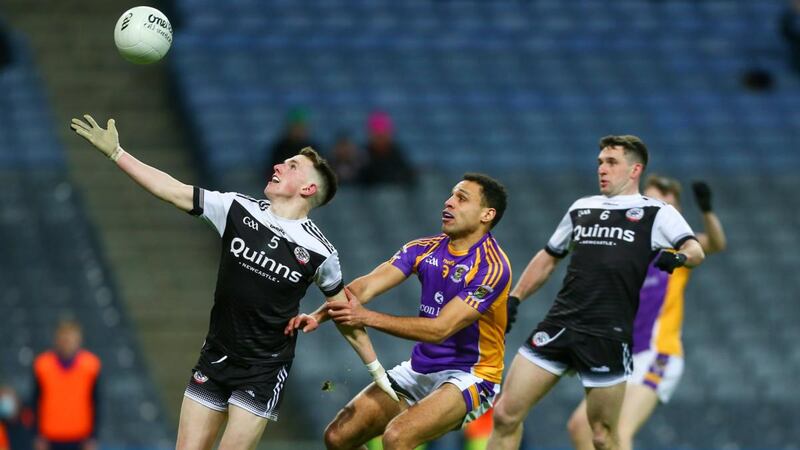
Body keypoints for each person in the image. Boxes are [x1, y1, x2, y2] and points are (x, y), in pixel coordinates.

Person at [69, 114, 396, 450]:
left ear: (308, 189)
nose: (281, 165)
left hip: (264, 370)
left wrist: (376, 370)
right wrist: (117, 153)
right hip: (216, 356)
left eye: (293, 165)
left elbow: (344, 312)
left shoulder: (321, 252)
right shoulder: (236, 209)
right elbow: (172, 190)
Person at [489, 135, 705, 450]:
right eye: (600, 162)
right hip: (560, 324)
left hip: (608, 334)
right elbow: (549, 256)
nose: (602, 169)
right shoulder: (582, 207)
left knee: (603, 436)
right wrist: (515, 297)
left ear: (635, 170)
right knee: (506, 414)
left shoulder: (657, 213)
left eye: (612, 162)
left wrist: (680, 257)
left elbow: (696, 249)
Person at [287, 173, 511, 450]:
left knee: (397, 437)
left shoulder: (492, 267)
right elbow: (363, 288)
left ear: (487, 214)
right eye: (451, 195)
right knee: (337, 438)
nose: (448, 202)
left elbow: (440, 329)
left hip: (471, 374)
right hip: (420, 368)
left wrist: (366, 317)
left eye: (461, 198)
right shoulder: (423, 249)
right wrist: (318, 316)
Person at [565, 175, 727, 450]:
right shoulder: (622, 244)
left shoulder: (678, 248)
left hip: (657, 353)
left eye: (668, 206)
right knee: (580, 426)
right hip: (623, 353)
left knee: (619, 432)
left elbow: (714, 243)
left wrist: (707, 210)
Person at [32, 320, 101, 450]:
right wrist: (37, 435)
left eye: (71, 339)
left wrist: (93, 437)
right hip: (50, 436)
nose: (67, 343)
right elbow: (35, 401)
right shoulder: (42, 365)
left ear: (78, 340)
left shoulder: (91, 365)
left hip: (80, 436)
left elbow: (96, 402)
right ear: (56, 340)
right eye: (63, 339)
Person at [357, 111, 417, 187]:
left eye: (383, 135)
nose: (381, 139)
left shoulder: (397, 153)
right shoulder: (363, 154)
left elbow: (408, 176)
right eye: (378, 136)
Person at [265, 107, 318, 177]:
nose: (298, 130)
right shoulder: (279, 149)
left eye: (302, 126)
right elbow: (272, 173)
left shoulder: (314, 149)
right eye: (296, 126)